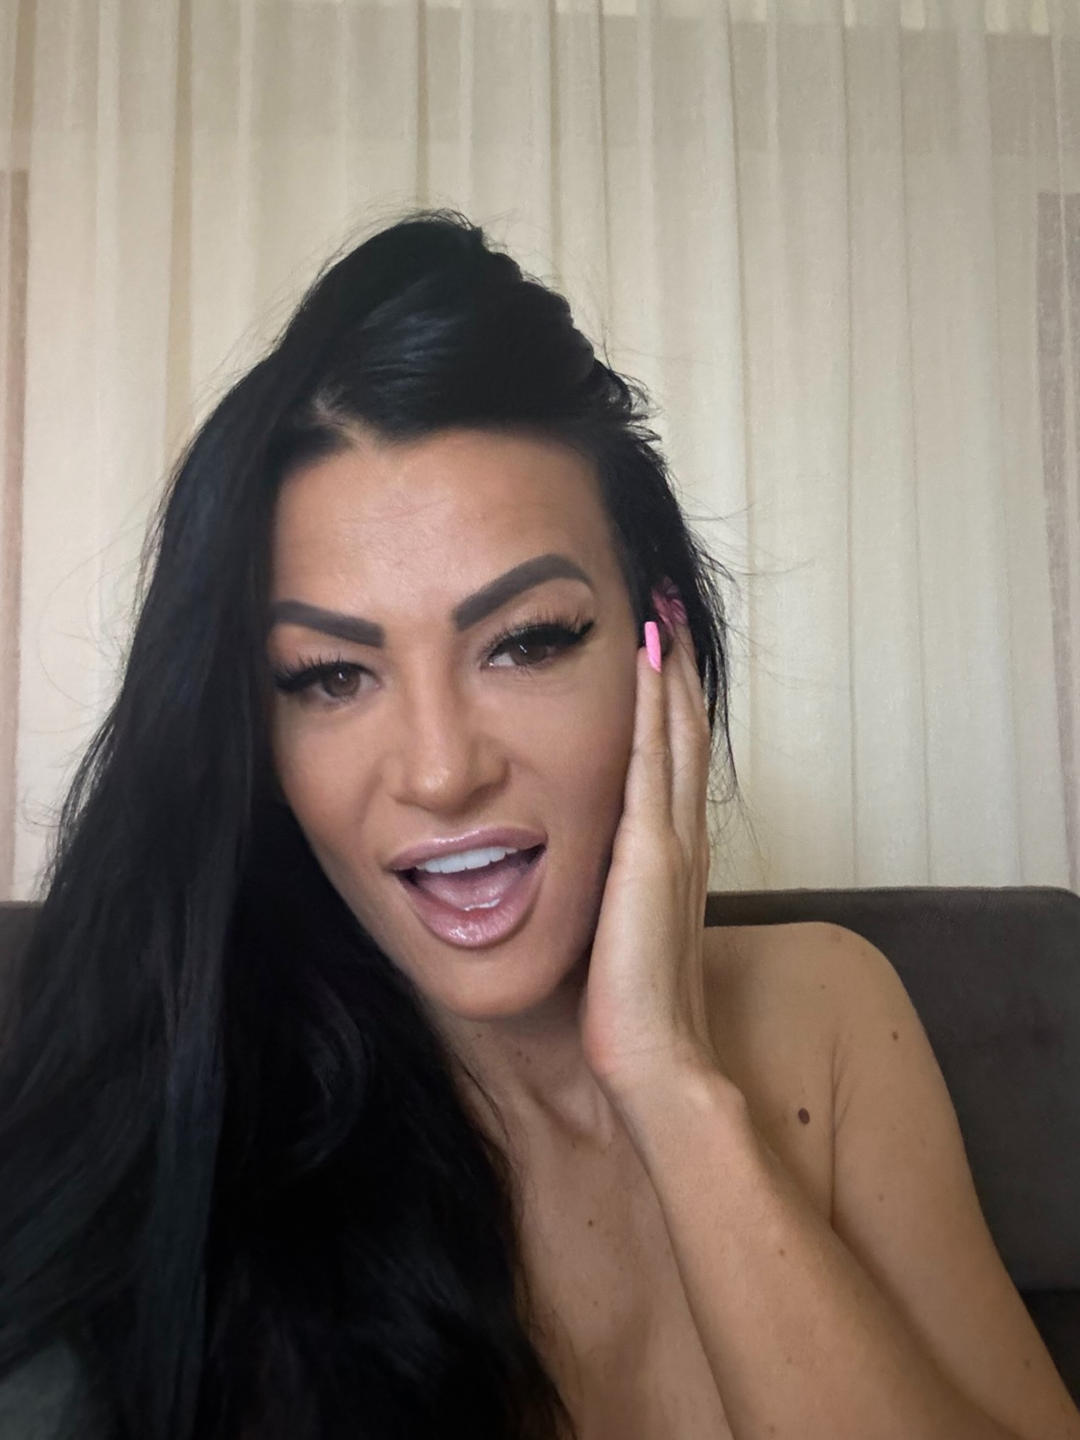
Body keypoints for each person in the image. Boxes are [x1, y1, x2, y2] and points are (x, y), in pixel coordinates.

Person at [2, 209, 1076, 1440]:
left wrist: (670, 1082)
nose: (442, 771)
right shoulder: (183, 1119)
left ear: (659, 653)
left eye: (526, 642)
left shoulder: (832, 1010)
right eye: (329, 675)